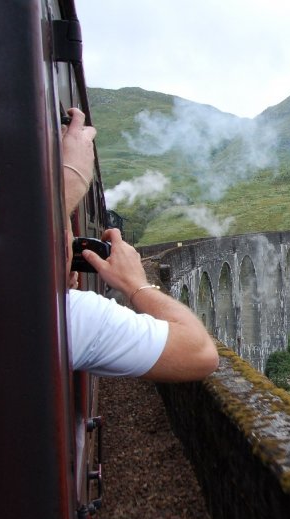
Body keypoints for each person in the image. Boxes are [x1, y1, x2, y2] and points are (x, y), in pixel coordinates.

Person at [61, 108, 218, 381]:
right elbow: (201, 352)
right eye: (64, 221)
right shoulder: (69, 318)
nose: (71, 239)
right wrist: (137, 284)